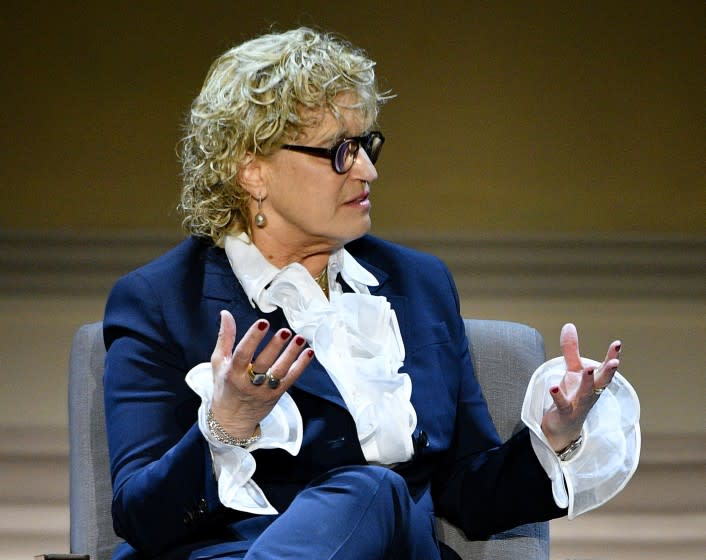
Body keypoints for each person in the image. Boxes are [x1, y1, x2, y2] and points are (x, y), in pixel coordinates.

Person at [103, 27, 639, 560]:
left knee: (375, 491)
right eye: (340, 152)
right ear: (253, 171)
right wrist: (226, 427)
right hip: (224, 554)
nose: (368, 170)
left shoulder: (418, 284)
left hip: (394, 549)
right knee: (370, 488)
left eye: (366, 146)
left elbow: (466, 494)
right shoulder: (161, 300)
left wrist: (556, 434)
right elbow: (139, 516)